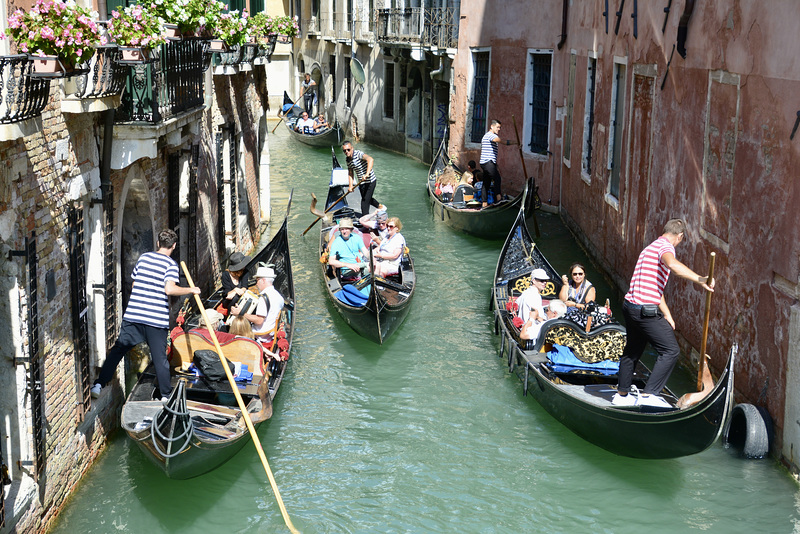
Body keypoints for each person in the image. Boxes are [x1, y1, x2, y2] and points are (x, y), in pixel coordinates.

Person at [611, 219, 715, 408]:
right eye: (681, 240)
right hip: (644, 311)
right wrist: (700, 279)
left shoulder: (650, 248)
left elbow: (654, 288)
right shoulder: (665, 248)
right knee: (671, 351)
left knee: (632, 351)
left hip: (630, 307)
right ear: (680, 236)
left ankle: (621, 394)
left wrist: (667, 314)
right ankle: (649, 395)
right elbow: (673, 266)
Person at [91, 229, 201, 401]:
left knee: (117, 351)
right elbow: (169, 289)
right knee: (160, 359)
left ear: (158, 243)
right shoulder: (171, 265)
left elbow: (134, 285)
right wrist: (191, 289)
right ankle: (165, 396)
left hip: (134, 316)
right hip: (156, 320)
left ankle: (98, 384)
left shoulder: (143, 258)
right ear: (174, 245)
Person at [232, 265, 284, 347]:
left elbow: (259, 320)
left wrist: (240, 313)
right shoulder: (279, 296)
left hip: (261, 334)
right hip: (271, 332)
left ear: (263, 280)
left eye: (257, 280)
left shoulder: (263, 298)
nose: (256, 283)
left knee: (233, 327)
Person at [343, 141, 385, 217]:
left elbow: (370, 159)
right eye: (344, 150)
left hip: (371, 181)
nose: (346, 152)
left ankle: (365, 221)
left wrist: (367, 174)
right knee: (367, 198)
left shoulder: (358, 154)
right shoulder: (348, 160)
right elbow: (350, 172)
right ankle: (381, 207)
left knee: (364, 202)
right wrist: (350, 186)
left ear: (352, 148)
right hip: (362, 183)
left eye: (348, 149)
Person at [479, 120, 515, 208]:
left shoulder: (486, 135)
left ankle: (484, 203)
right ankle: (499, 199)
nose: (499, 129)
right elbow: (501, 141)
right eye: (497, 127)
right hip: (488, 162)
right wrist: (515, 142)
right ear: (492, 126)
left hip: (485, 162)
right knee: (497, 178)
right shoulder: (491, 135)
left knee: (486, 183)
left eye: (499, 127)